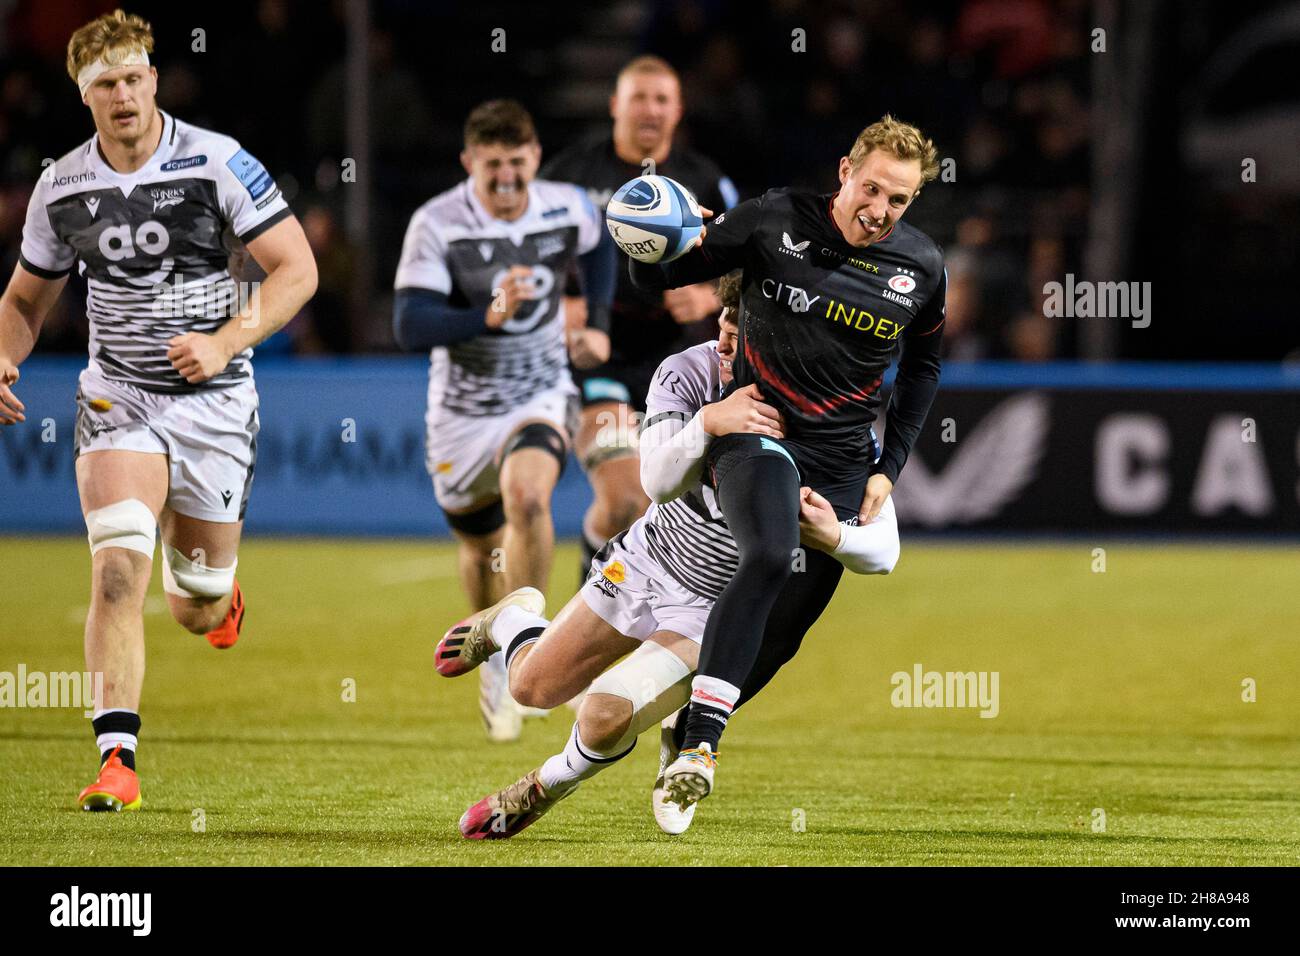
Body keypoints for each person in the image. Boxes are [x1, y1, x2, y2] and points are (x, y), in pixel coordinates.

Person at [435, 273, 900, 838]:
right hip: (647, 558)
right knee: (531, 689)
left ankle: (542, 786)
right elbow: (655, 480)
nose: (725, 349)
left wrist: (835, 537)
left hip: (715, 610)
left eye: (740, 339)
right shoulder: (689, 370)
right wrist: (708, 421)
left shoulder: (829, 416)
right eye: (723, 331)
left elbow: (885, 550)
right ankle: (511, 621)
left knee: (600, 714)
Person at [0, 9, 318, 811]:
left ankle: (219, 596)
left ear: (153, 78)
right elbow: (24, 301)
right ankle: (117, 760)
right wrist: (2, 355)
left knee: (193, 602)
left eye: (134, 77)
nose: (124, 94)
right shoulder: (62, 185)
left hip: (213, 401)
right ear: (84, 95)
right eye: (104, 83)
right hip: (118, 397)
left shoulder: (218, 161)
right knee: (115, 569)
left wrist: (223, 339)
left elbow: (296, 270)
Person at [629, 114, 946, 810]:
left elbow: (923, 366)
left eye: (899, 199)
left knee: (783, 636)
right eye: (872, 189)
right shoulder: (774, 218)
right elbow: (667, 277)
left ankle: (692, 722)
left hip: (840, 457)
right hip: (759, 431)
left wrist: (888, 464)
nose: (880, 210)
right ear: (844, 171)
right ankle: (702, 749)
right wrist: (647, 241)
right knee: (769, 554)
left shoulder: (920, 267)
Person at [393, 99, 616, 742]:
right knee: (479, 545)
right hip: (461, 411)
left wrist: (596, 323)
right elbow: (410, 325)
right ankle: (491, 644)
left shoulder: (566, 204)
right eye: (493, 167)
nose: (508, 179)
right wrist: (482, 316)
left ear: (536, 157)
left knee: (527, 496)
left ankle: (527, 653)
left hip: (538, 391)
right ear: (469, 163)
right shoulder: (436, 223)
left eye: (517, 164)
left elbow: (599, 244)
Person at [540, 55, 739, 585]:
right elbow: (521, 261)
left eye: (661, 99)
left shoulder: (707, 183)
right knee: (627, 494)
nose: (649, 110)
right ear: (614, 106)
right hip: (597, 361)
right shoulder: (569, 176)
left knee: (671, 510)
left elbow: (748, 268)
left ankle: (663, 621)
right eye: (638, 98)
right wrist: (556, 307)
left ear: (677, 110)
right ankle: (592, 599)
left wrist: (708, 297)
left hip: (677, 368)